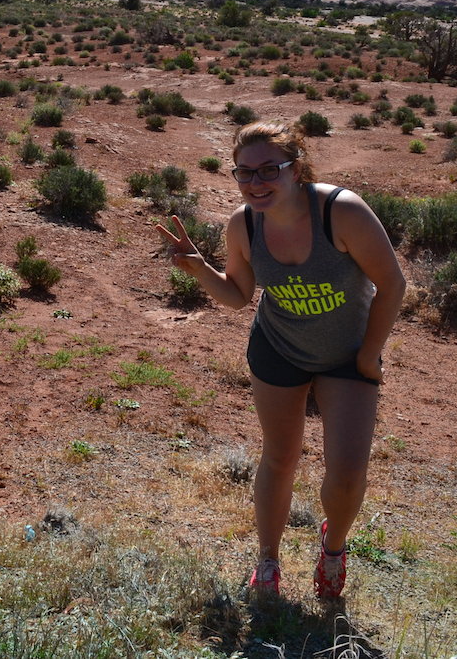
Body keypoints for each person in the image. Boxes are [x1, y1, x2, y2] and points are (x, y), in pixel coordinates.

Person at [156, 121, 405, 599]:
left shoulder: (341, 212)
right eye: (245, 173)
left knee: (347, 474)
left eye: (270, 169)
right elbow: (238, 296)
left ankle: (333, 547)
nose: (256, 182)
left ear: (296, 169)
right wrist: (200, 269)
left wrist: (369, 354)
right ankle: (268, 559)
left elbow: (392, 283)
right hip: (278, 347)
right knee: (280, 456)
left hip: (346, 354)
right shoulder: (245, 224)